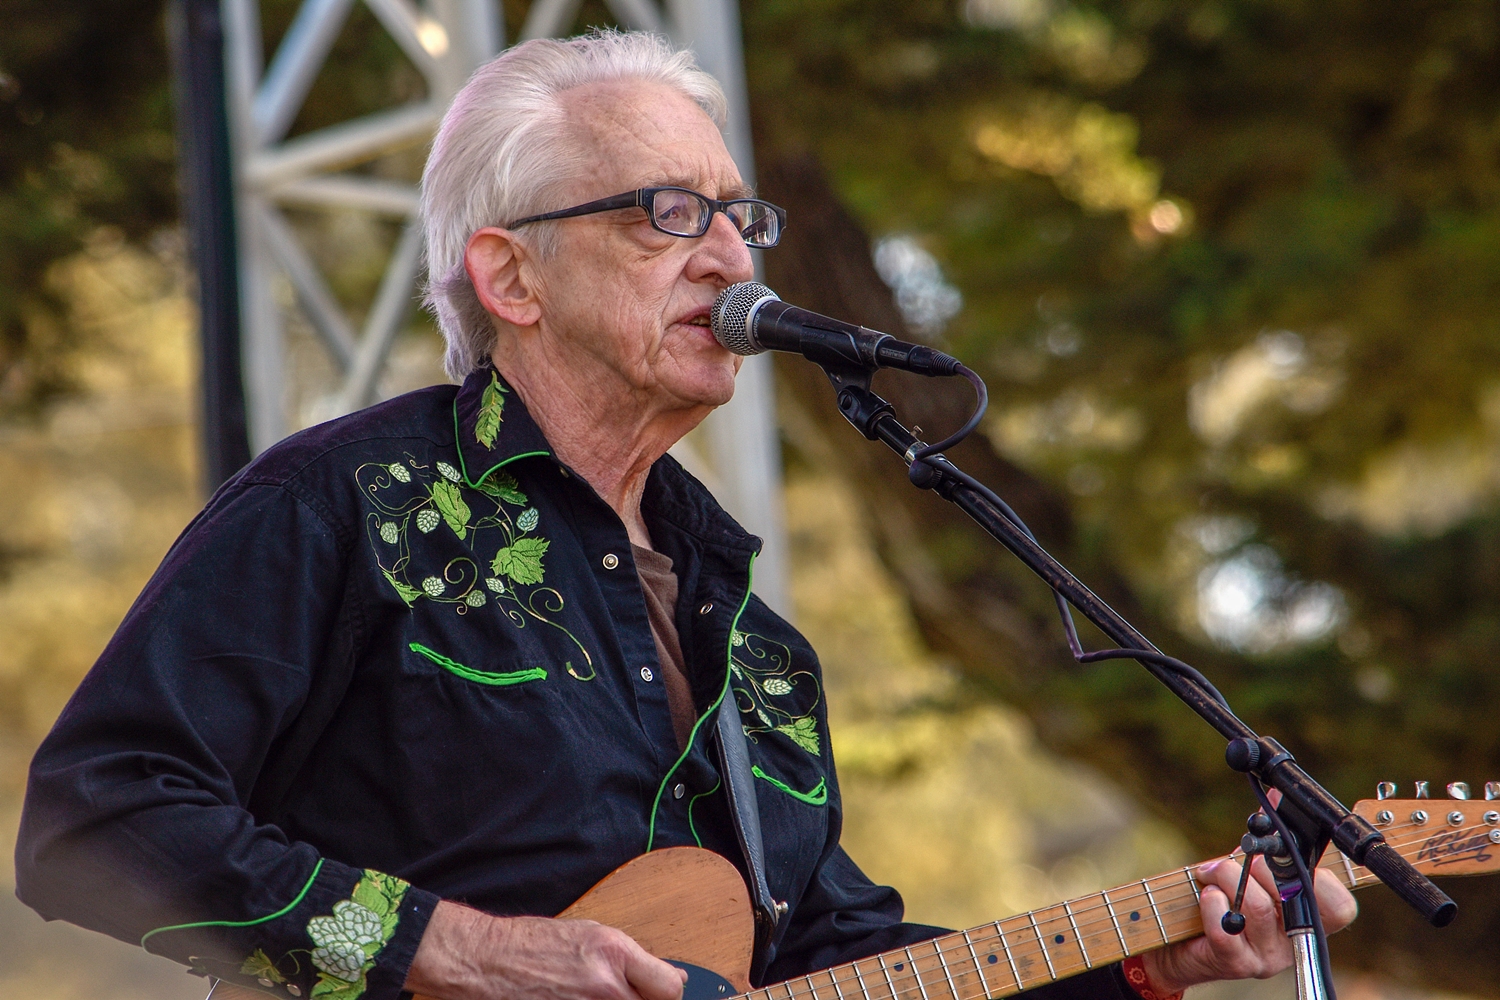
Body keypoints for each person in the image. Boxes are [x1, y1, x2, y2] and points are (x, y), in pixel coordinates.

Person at [14, 30, 1355, 1000]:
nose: (729, 256)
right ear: (512, 278)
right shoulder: (348, 502)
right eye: (667, 214)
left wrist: (1146, 964)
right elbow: (93, 819)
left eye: (736, 214)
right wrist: (465, 952)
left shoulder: (753, 639)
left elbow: (836, 966)